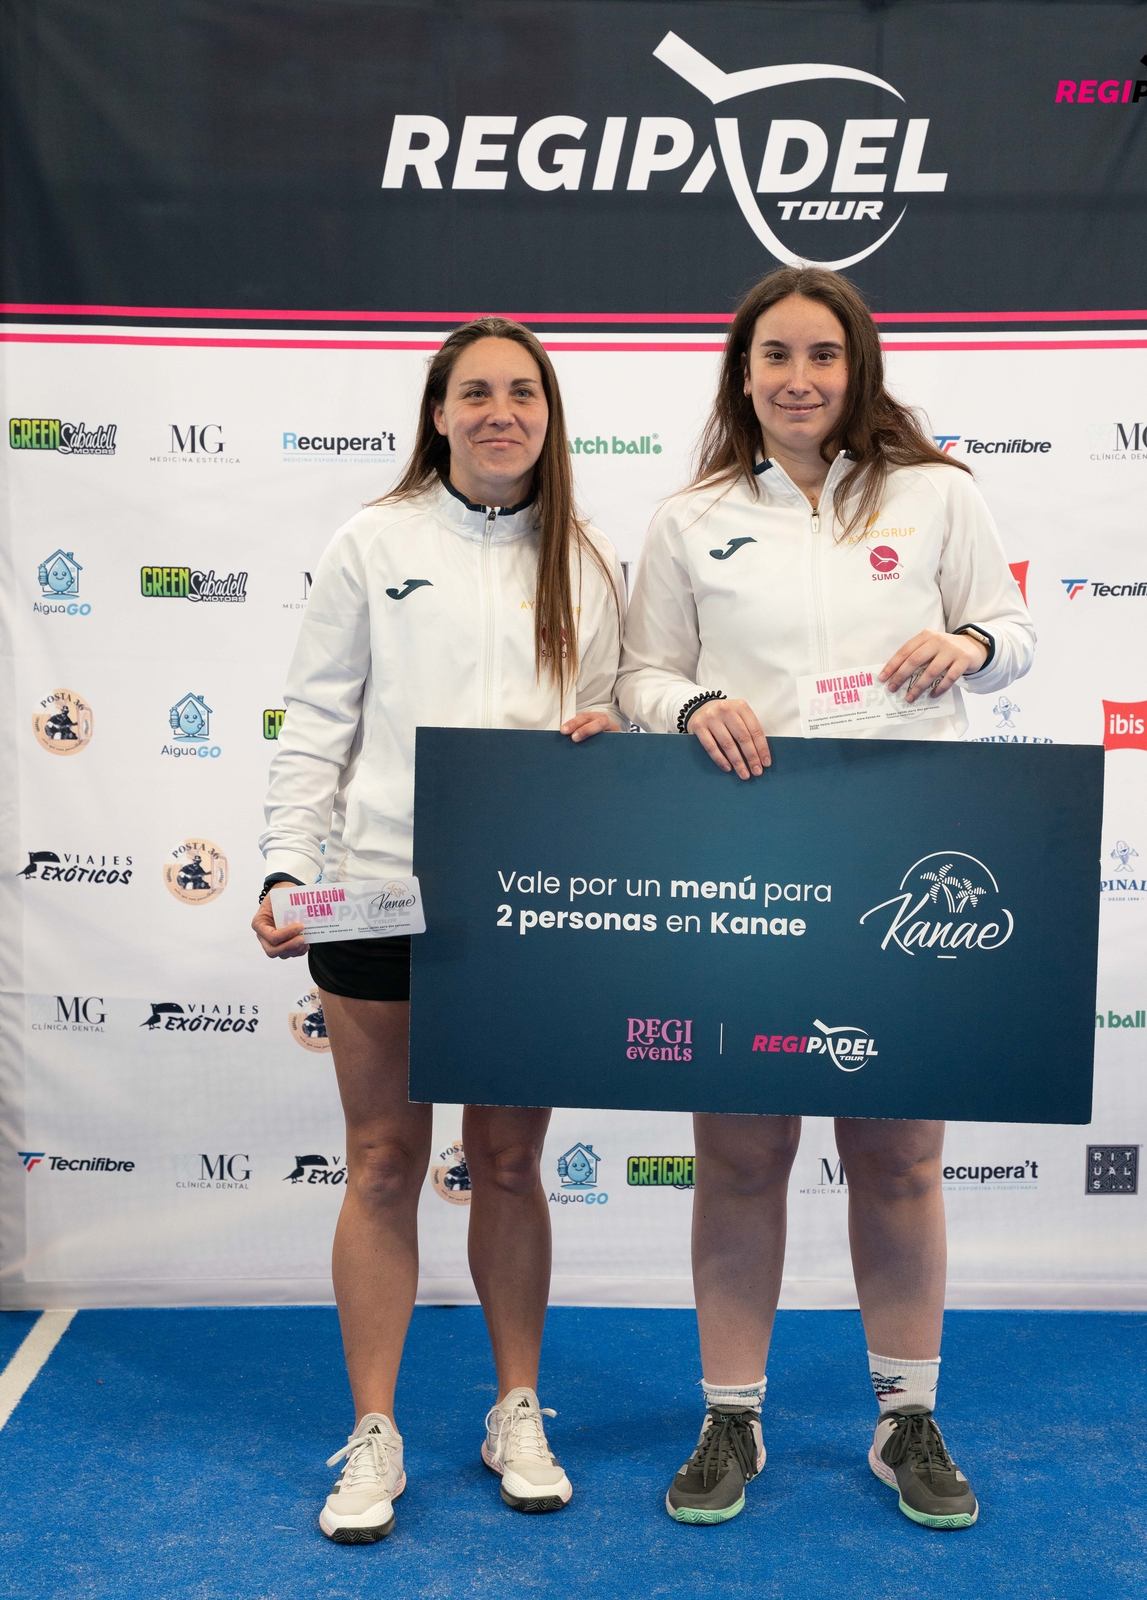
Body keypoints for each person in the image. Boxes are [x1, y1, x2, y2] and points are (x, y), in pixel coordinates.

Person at [617, 266, 1034, 1530]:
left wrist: (967, 645)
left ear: (858, 370)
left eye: (821, 356)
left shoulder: (937, 492)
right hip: (746, 859)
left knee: (897, 1153)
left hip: (905, 859)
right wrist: (694, 703)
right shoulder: (689, 517)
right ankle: (728, 1414)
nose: (798, 379)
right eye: (775, 356)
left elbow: (1010, 632)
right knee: (741, 1152)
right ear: (741, 374)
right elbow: (639, 674)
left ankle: (905, 1415)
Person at [251, 318, 624, 1542]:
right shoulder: (372, 541)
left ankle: (516, 1408)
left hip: (523, 905)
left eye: (523, 392)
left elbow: (610, 719)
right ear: (438, 411)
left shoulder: (586, 560)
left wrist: (608, 734)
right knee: (380, 1161)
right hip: (376, 892)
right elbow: (315, 721)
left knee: (508, 1162)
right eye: (476, 392)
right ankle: (374, 1430)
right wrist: (285, 865)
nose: (499, 411)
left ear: (549, 415)